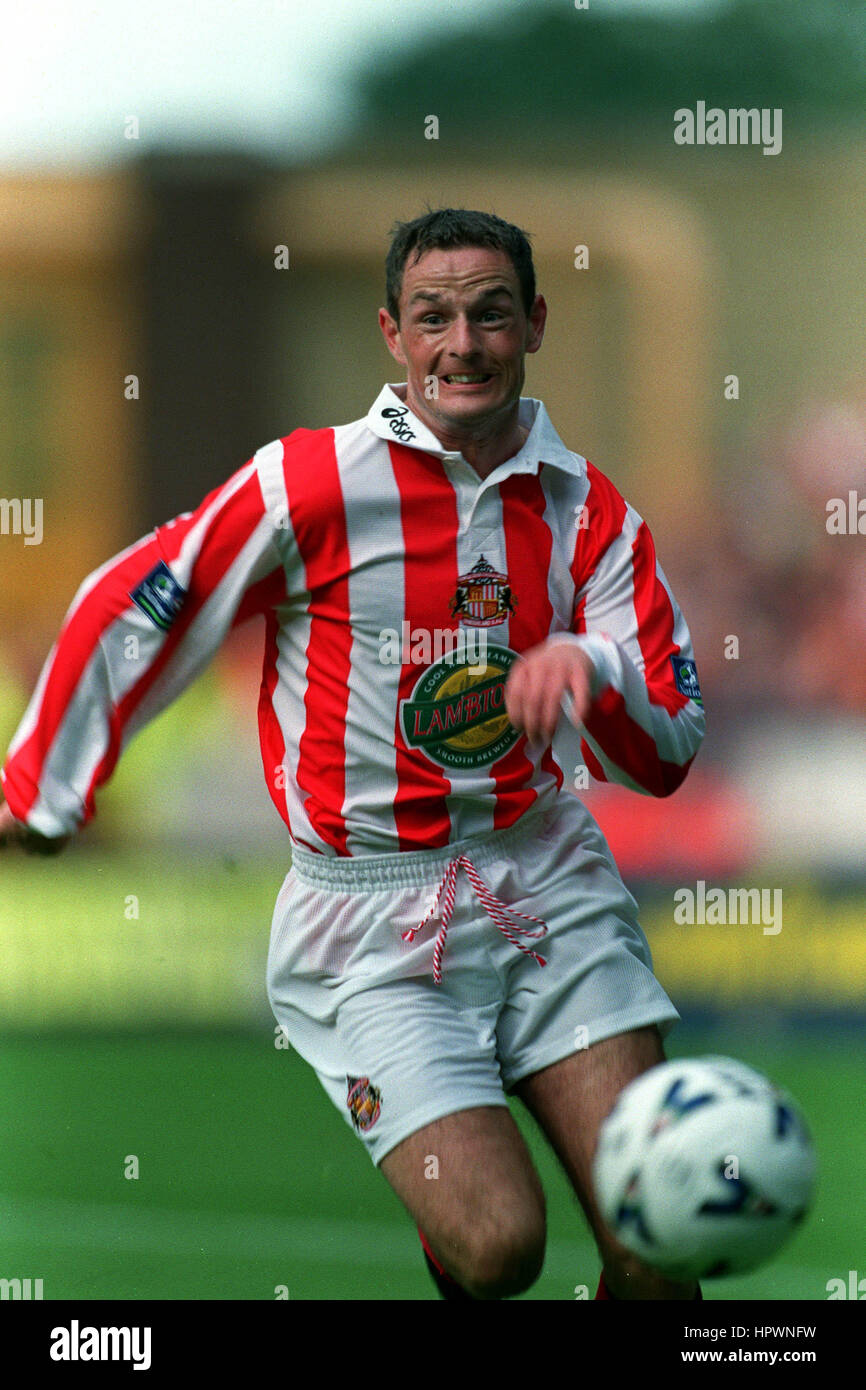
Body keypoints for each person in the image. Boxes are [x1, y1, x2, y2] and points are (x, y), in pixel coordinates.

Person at [0, 208, 706, 1300]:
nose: (460, 343)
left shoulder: (589, 512)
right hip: (367, 924)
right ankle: (452, 1230)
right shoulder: (309, 483)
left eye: (489, 314)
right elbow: (142, 603)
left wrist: (593, 670)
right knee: (498, 1246)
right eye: (433, 317)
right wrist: (40, 790)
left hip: (548, 885)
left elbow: (665, 749)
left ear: (534, 326)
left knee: (657, 1239)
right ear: (392, 332)